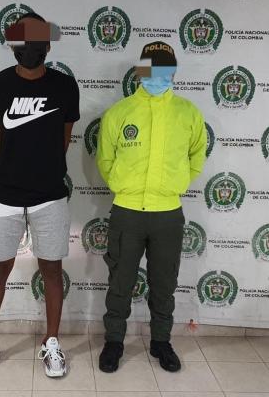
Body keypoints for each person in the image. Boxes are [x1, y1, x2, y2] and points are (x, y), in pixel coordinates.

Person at [0, 13, 79, 378]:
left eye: (35, 40)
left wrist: (41, 168)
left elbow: (64, 139)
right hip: (6, 193)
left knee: (52, 269)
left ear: (47, 45)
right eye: (22, 40)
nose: (29, 47)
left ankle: (51, 342)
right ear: (13, 45)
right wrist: (19, 167)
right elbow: (0, 136)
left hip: (50, 193)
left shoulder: (65, 86)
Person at [96, 41, 206, 373]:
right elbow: (105, 160)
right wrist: (124, 186)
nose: (157, 74)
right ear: (140, 71)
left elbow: (196, 158)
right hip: (127, 212)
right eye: (150, 68)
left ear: (173, 72)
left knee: (164, 283)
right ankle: (114, 342)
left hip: (167, 215)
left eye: (164, 69)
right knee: (120, 281)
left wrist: (172, 187)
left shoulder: (187, 113)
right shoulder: (120, 113)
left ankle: (161, 342)